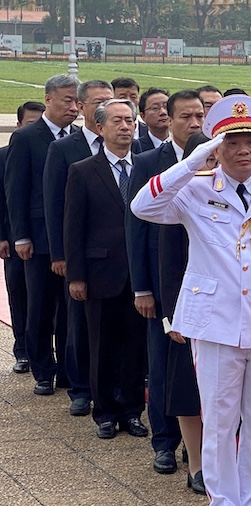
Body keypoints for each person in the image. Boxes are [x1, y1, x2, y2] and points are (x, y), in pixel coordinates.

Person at [130, 95, 251, 506]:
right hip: (216, 322)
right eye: (232, 141)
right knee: (221, 420)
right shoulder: (195, 188)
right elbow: (142, 207)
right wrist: (192, 163)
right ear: (216, 146)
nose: (244, 149)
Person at [127, 89, 205, 475]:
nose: (194, 123)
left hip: (205, 283)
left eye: (199, 116)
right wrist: (142, 287)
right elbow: (136, 228)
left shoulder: (212, 159)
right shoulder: (148, 162)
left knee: (198, 373)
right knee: (162, 367)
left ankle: (198, 449)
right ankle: (164, 442)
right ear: (168, 120)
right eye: (185, 117)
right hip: (164, 284)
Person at [64, 98, 149, 439]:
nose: (125, 127)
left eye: (130, 120)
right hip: (101, 273)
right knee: (101, 344)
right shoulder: (84, 170)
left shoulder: (146, 166)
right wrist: (76, 276)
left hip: (139, 274)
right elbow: (73, 227)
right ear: (100, 128)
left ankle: (132, 410)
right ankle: (105, 412)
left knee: (135, 346)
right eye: (118, 121)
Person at [42, 79, 115, 417]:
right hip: (81, 252)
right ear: (82, 107)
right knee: (79, 324)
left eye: (110, 101)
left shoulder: (131, 144)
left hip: (116, 255)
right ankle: (81, 388)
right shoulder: (63, 148)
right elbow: (56, 206)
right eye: (99, 101)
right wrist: (60, 255)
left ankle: (113, 386)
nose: (106, 107)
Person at [5, 74, 80, 397]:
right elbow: (16, 189)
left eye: (77, 101)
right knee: (40, 306)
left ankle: (66, 370)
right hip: (38, 238)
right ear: (48, 99)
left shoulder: (78, 138)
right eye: (67, 100)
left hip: (70, 236)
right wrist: (20, 235)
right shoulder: (27, 137)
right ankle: (42, 369)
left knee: (69, 310)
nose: (73, 107)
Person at [157, 132, 214, 495]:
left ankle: (221, 461)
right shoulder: (183, 197)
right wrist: (173, 317)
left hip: (228, 312)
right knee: (189, 392)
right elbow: (168, 263)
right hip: (190, 310)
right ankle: (196, 464)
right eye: (207, 160)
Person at [0, 101, 43, 376]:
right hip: (14, 236)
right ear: (18, 126)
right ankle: (22, 349)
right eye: (31, 123)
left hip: (43, 237)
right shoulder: (3, 156)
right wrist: (2, 236)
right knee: (19, 293)